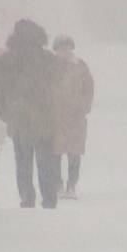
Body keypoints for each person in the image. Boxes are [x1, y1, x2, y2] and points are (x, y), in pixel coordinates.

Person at [0, 19, 61, 209]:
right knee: (47, 161)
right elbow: (61, 88)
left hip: (19, 119)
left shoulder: (6, 61)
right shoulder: (48, 59)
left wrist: (7, 114)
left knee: (23, 162)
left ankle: (27, 197)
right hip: (46, 119)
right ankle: (49, 197)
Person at [51, 35, 95, 199]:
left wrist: (84, 107)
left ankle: (72, 185)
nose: (64, 51)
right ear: (56, 49)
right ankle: (58, 184)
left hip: (76, 117)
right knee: (55, 153)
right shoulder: (49, 67)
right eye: (61, 48)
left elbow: (89, 88)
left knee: (74, 154)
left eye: (67, 47)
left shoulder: (80, 66)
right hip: (55, 117)